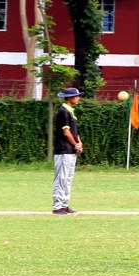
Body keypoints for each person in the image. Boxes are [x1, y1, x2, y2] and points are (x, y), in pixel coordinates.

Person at [52, 87, 83, 215]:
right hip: (63, 150)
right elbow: (66, 132)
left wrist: (79, 143)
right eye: (76, 96)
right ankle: (57, 206)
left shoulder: (70, 112)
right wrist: (76, 144)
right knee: (61, 179)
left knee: (68, 179)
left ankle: (64, 205)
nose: (78, 98)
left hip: (70, 151)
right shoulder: (63, 112)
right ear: (70, 98)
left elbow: (74, 131)